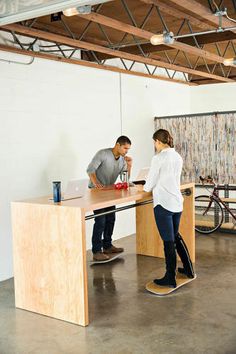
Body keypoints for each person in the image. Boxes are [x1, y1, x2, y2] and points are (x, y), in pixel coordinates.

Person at [143, 129, 194, 288]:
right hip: (176, 203)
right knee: (175, 236)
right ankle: (188, 269)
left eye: (154, 143)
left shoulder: (158, 158)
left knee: (168, 241)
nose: (154, 145)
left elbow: (149, 184)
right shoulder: (177, 156)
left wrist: (144, 188)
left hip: (163, 204)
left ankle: (169, 278)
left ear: (158, 141)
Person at [87, 136, 132, 261]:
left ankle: (107, 245)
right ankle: (96, 251)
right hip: (96, 192)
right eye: (125, 148)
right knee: (100, 220)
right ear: (117, 145)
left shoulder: (123, 160)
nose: (126, 152)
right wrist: (96, 183)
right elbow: (90, 169)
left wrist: (129, 165)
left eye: (128, 149)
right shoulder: (103, 154)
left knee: (111, 218)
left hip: (109, 191)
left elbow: (125, 179)